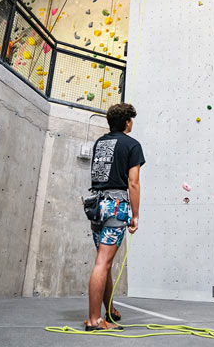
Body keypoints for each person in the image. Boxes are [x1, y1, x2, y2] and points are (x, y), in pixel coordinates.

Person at [85, 103, 145, 331]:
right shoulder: (132, 145)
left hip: (96, 206)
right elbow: (133, 182)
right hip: (116, 206)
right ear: (127, 122)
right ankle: (93, 320)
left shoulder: (100, 142)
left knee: (104, 262)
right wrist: (135, 215)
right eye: (131, 119)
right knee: (103, 262)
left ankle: (108, 311)